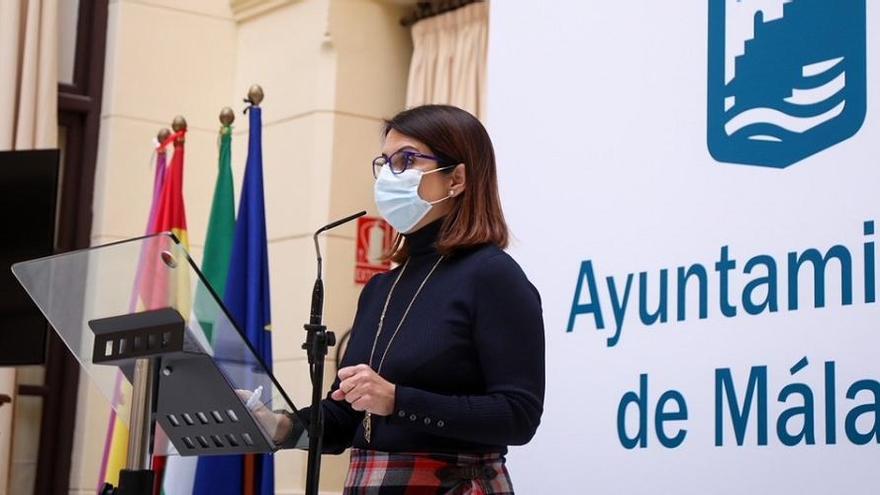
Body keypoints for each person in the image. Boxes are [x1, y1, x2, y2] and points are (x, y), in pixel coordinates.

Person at [278, 104, 545, 494]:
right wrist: (279, 426)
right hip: (371, 481)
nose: (389, 176)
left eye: (406, 160)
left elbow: (518, 415)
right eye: (385, 163)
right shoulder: (380, 289)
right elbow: (349, 416)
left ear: (456, 179)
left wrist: (398, 400)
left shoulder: (492, 275)